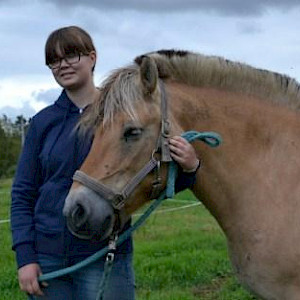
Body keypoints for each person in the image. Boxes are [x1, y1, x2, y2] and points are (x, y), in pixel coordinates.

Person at [11, 25, 200, 300]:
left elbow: (153, 175)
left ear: (92, 57)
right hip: (48, 258)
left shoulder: (121, 115)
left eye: (72, 56)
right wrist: (26, 257)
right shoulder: (42, 123)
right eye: (54, 60)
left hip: (104, 254)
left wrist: (191, 167)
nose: (62, 65)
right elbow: (23, 193)